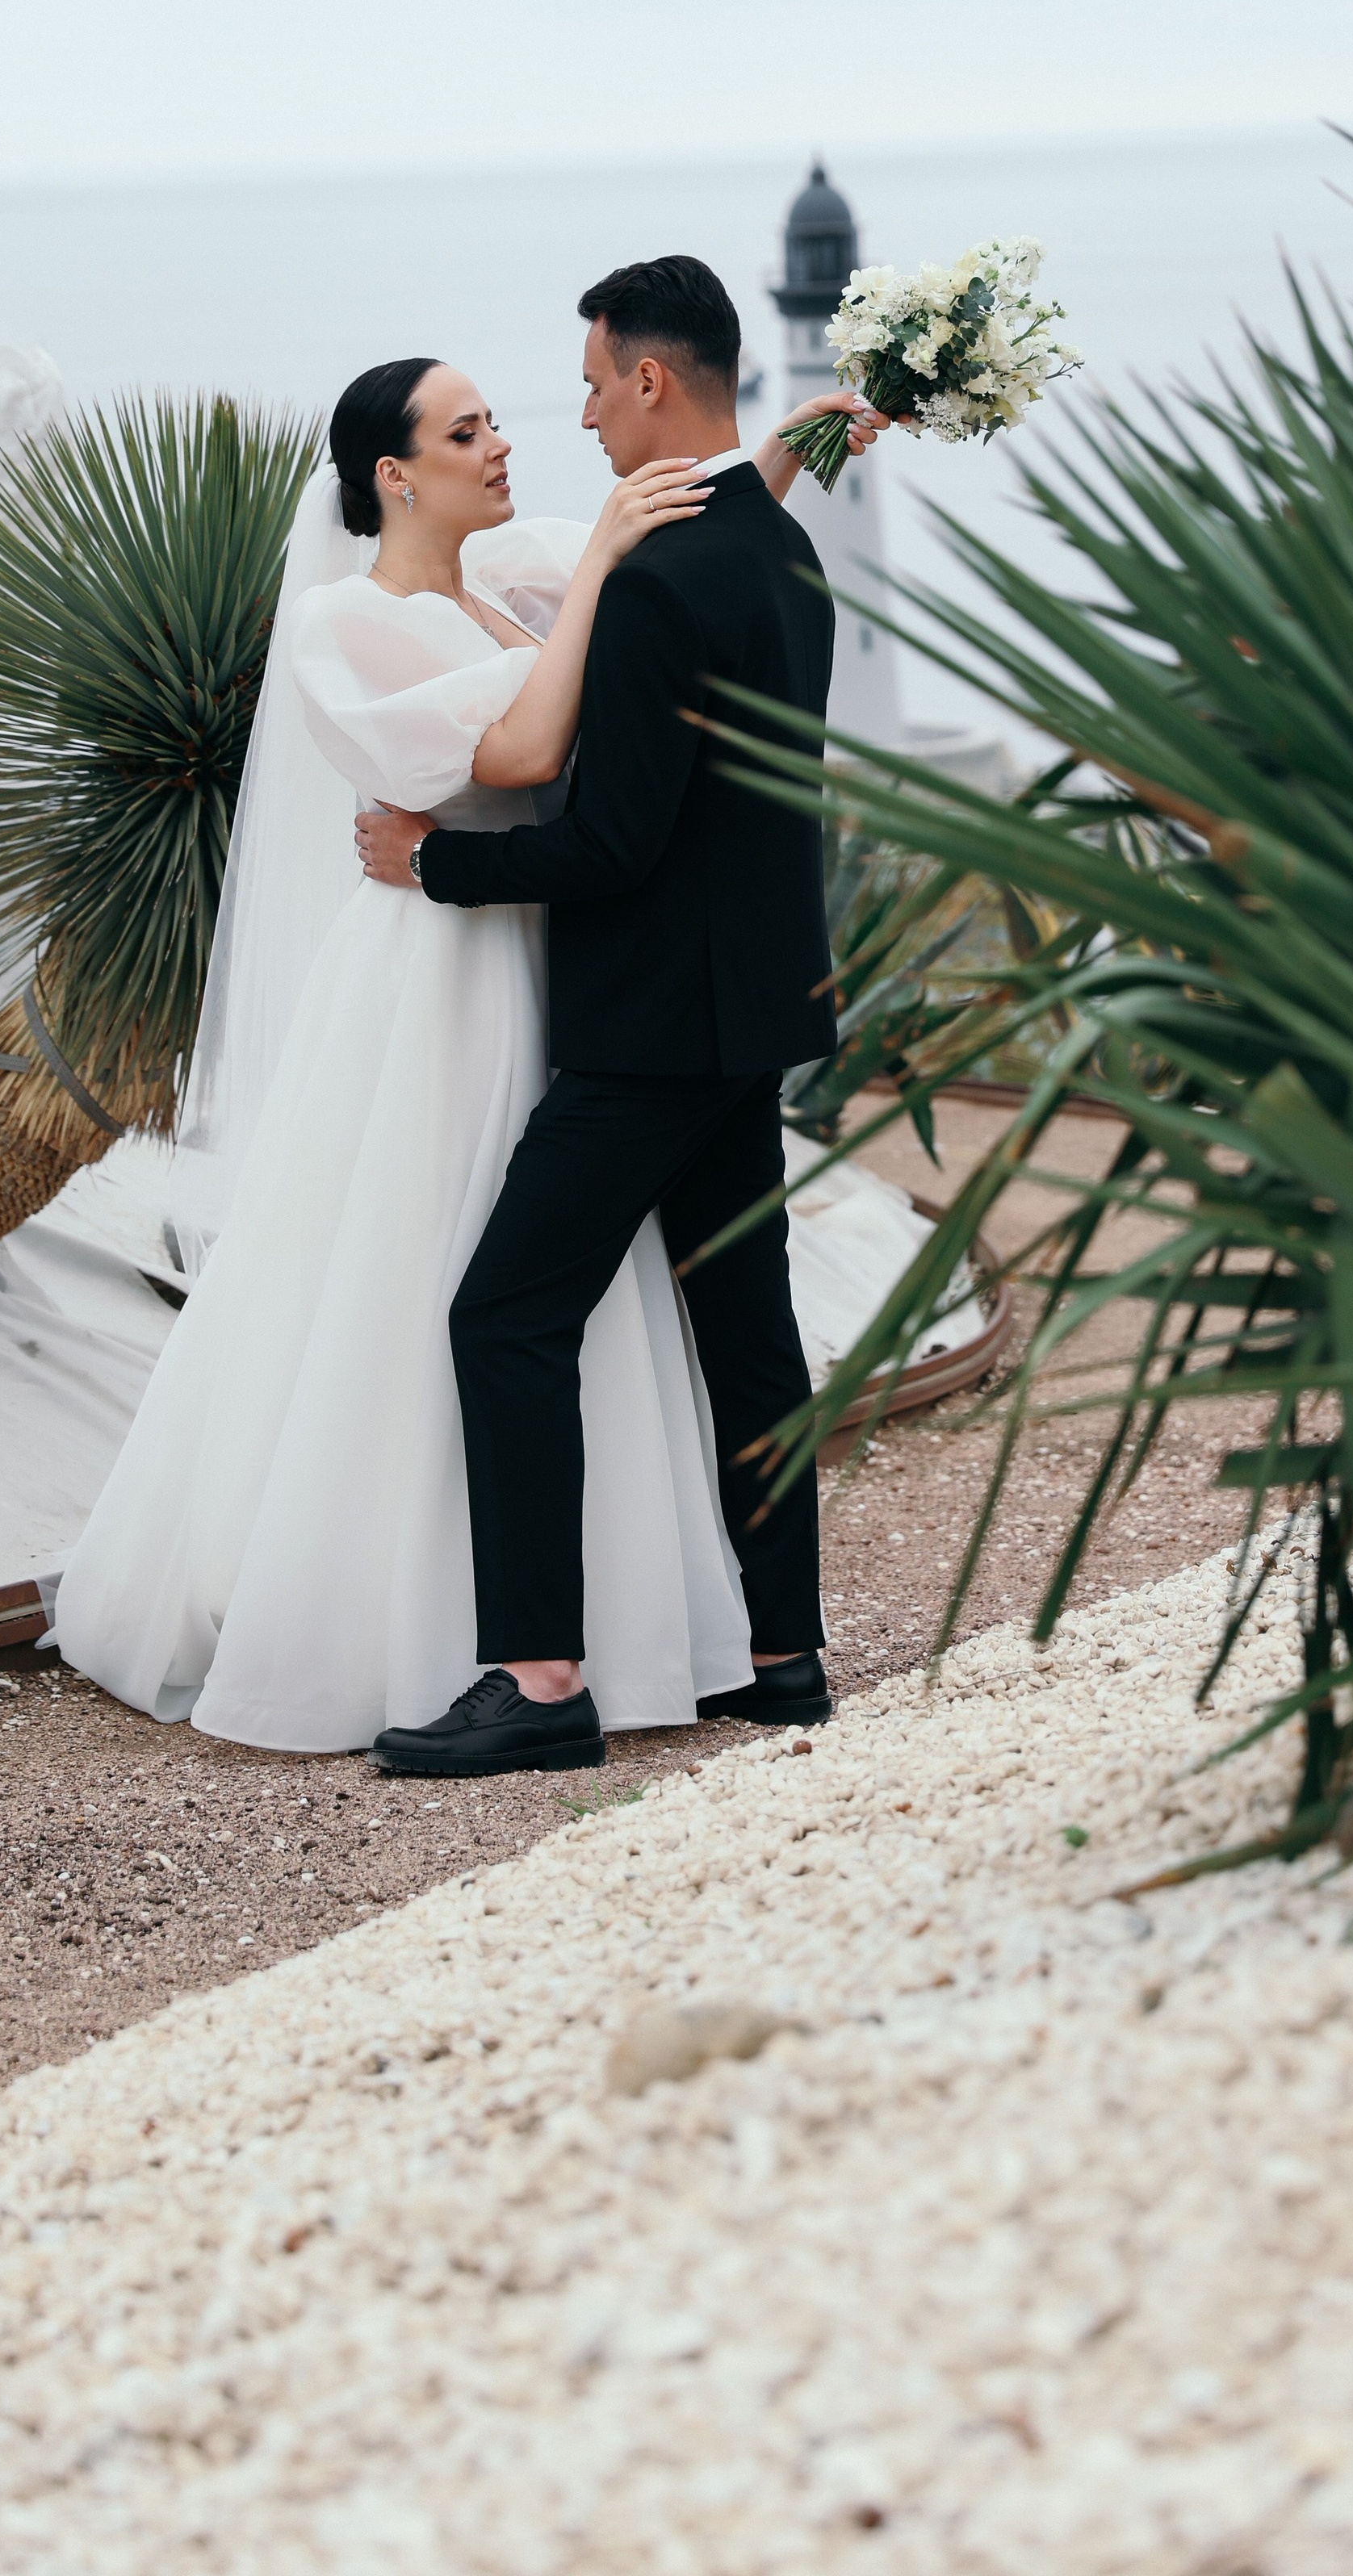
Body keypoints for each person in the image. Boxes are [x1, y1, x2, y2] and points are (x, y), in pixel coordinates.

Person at [52, 332, 874, 1761]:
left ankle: (613, 1661)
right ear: (392, 475)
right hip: (438, 986)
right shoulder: (348, 625)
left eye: (501, 420)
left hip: (565, 976)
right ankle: (480, 1634)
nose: (507, 445)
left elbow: (694, 541)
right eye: (468, 432)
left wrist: (782, 450)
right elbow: (522, 755)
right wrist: (609, 565)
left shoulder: (508, 580)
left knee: (605, 1310)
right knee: (422, 1278)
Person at [354, 256, 863, 1778]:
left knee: (505, 1316)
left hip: (645, 1028)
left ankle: (541, 1678)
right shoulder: (777, 550)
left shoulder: (652, 578)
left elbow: (615, 842)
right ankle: (785, 1659)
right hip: (755, 1011)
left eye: (589, 382)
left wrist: (439, 861)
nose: (576, 415)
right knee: (749, 1332)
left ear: (652, 379)